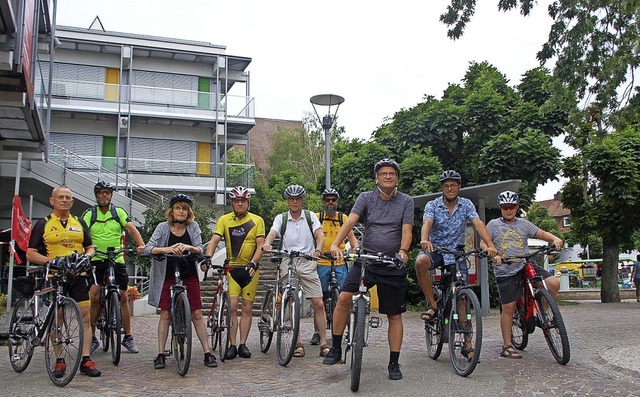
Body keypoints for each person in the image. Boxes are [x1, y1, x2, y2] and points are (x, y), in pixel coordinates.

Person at [323, 158, 412, 381]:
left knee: (394, 314)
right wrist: (335, 244)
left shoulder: (406, 201)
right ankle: (335, 348)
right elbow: (350, 222)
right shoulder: (366, 198)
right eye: (383, 174)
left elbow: (407, 231)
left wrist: (403, 250)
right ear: (377, 178)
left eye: (392, 173)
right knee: (343, 298)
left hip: (392, 262)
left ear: (397, 177)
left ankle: (393, 362)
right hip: (366, 260)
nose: (388, 176)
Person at [26, 185, 101, 377]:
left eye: (68, 197)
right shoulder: (43, 224)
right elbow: (31, 253)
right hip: (55, 276)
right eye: (61, 197)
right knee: (56, 319)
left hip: (78, 275)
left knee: (85, 316)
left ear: (72, 202)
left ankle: (86, 359)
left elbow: (90, 246)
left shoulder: (79, 222)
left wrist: (87, 256)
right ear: (52, 200)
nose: (65, 200)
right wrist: (50, 261)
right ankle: (59, 360)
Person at [482, 190, 562, 359]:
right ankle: (507, 345)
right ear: (500, 208)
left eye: (511, 207)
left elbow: (541, 233)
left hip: (525, 264)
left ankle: (544, 314)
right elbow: (484, 242)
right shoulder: (493, 225)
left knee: (553, 283)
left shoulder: (524, 224)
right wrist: (491, 252)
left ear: (517, 207)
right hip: (505, 269)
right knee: (508, 308)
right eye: (505, 207)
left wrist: (555, 239)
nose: (508, 210)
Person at [144, 193, 217, 369]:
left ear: (189, 212)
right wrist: (167, 249)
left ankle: (207, 353)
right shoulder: (163, 228)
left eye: (184, 208)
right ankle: (160, 354)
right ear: (172, 211)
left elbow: (199, 248)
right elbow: (148, 248)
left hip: (188, 272)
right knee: (165, 314)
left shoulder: (193, 227)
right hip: (167, 274)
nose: (181, 211)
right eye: (178, 207)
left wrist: (188, 247)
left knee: (197, 314)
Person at [415, 170, 498, 323]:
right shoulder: (433, 205)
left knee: (462, 296)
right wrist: (424, 239)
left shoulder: (466, 204)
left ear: (459, 187)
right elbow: (427, 222)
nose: (450, 189)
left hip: (457, 254)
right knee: (420, 262)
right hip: (437, 251)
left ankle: (467, 340)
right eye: (446, 186)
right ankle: (433, 305)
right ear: (442, 188)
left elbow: (478, 224)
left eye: (453, 185)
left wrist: (490, 245)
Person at [262, 184, 328, 358]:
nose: (295, 201)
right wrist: (268, 243)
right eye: (292, 199)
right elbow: (273, 233)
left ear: (302, 200)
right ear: (287, 201)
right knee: (291, 302)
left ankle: (324, 343)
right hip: (287, 260)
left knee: (318, 303)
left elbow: (320, 235)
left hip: (307, 261)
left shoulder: (310, 216)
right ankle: (297, 343)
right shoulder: (281, 218)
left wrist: (318, 250)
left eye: (298, 198)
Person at [83, 181, 146, 355]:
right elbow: (82, 232)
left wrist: (141, 245)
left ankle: (128, 337)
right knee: (94, 296)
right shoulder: (90, 213)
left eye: (107, 193)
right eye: (101, 193)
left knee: (123, 296)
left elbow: (131, 229)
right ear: (96, 195)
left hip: (116, 258)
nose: (104, 195)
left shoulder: (118, 212)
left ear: (111, 195)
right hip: (97, 258)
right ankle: (93, 337)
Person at [205, 186, 265, 359]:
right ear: (232, 202)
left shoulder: (257, 220)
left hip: (250, 270)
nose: (240, 203)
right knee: (231, 307)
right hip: (232, 269)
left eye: (243, 200)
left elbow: (261, 244)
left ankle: (243, 344)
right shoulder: (224, 220)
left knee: (247, 308)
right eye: (237, 201)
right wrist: (208, 257)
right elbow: (215, 239)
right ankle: (232, 344)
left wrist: (254, 262)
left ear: (248, 202)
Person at [309, 188, 359, 345]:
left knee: (345, 297)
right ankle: (317, 332)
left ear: (337, 201)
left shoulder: (343, 218)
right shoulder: (317, 217)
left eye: (333, 200)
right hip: (321, 261)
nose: (330, 202)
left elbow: (352, 239)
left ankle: (350, 331)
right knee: (319, 300)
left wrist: (356, 251)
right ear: (323, 202)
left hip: (339, 261)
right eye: (327, 200)